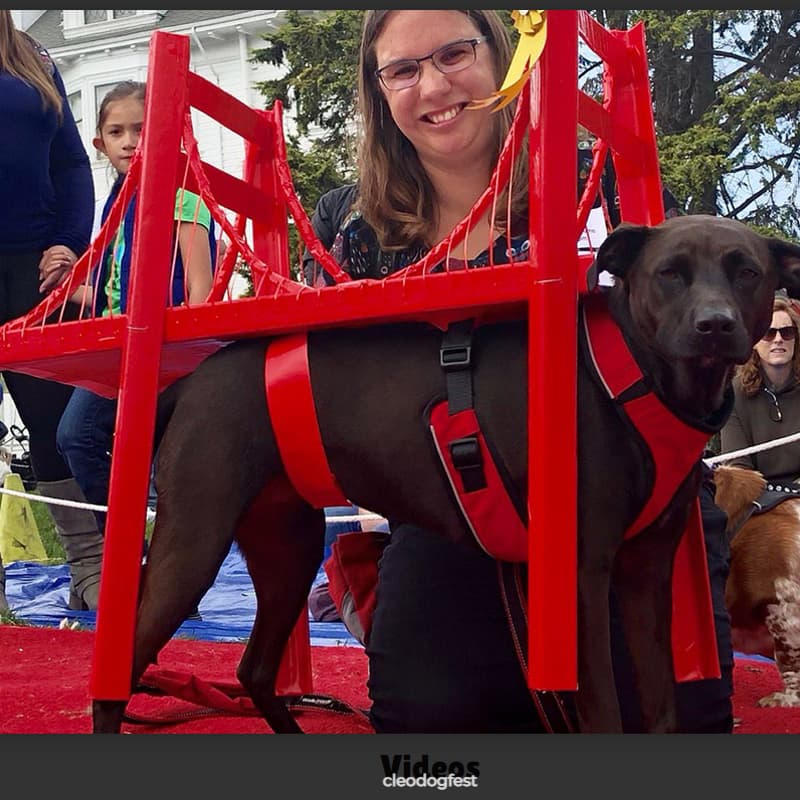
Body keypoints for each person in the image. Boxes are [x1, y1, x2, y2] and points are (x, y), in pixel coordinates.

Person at [302, 9, 734, 733]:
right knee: (423, 729)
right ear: (379, 92)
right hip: (447, 509)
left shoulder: (598, 178)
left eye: (453, 54)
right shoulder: (351, 224)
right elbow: (328, 385)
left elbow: (687, 342)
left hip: (632, 503)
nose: (433, 86)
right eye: (402, 70)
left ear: (500, 56)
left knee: (676, 722)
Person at [56, 81, 216, 544]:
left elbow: (201, 288)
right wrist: (70, 289)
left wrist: (190, 356)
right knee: (79, 438)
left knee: (96, 438)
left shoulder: (181, 194)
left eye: (141, 129)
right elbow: (115, 296)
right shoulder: (116, 206)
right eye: (117, 132)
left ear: (165, 132)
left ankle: (140, 547)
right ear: (100, 143)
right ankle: (128, 544)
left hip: (165, 349)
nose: (130, 141)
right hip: (122, 346)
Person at [0, 10, 103, 612]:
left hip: (37, 266)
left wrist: (69, 241)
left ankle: (88, 564)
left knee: (55, 419)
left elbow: (70, 162)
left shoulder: (34, 57)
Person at [720, 296, 800, 484]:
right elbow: (737, 467)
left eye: (787, 332)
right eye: (768, 333)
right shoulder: (733, 393)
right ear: (754, 342)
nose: (778, 340)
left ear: (796, 339)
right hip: (758, 494)